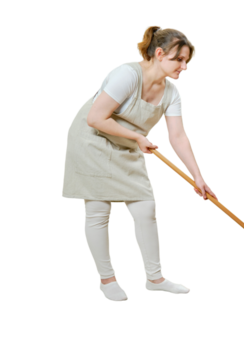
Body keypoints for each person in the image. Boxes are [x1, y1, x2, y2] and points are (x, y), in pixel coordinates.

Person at [61, 24, 217, 303]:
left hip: (128, 143)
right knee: (98, 210)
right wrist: (137, 137)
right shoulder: (127, 74)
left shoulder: (171, 92)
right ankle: (107, 280)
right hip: (92, 141)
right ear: (159, 53)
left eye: (187, 61)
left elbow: (178, 136)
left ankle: (155, 279)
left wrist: (198, 177)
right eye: (179, 60)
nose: (185, 67)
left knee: (145, 207)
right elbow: (96, 118)